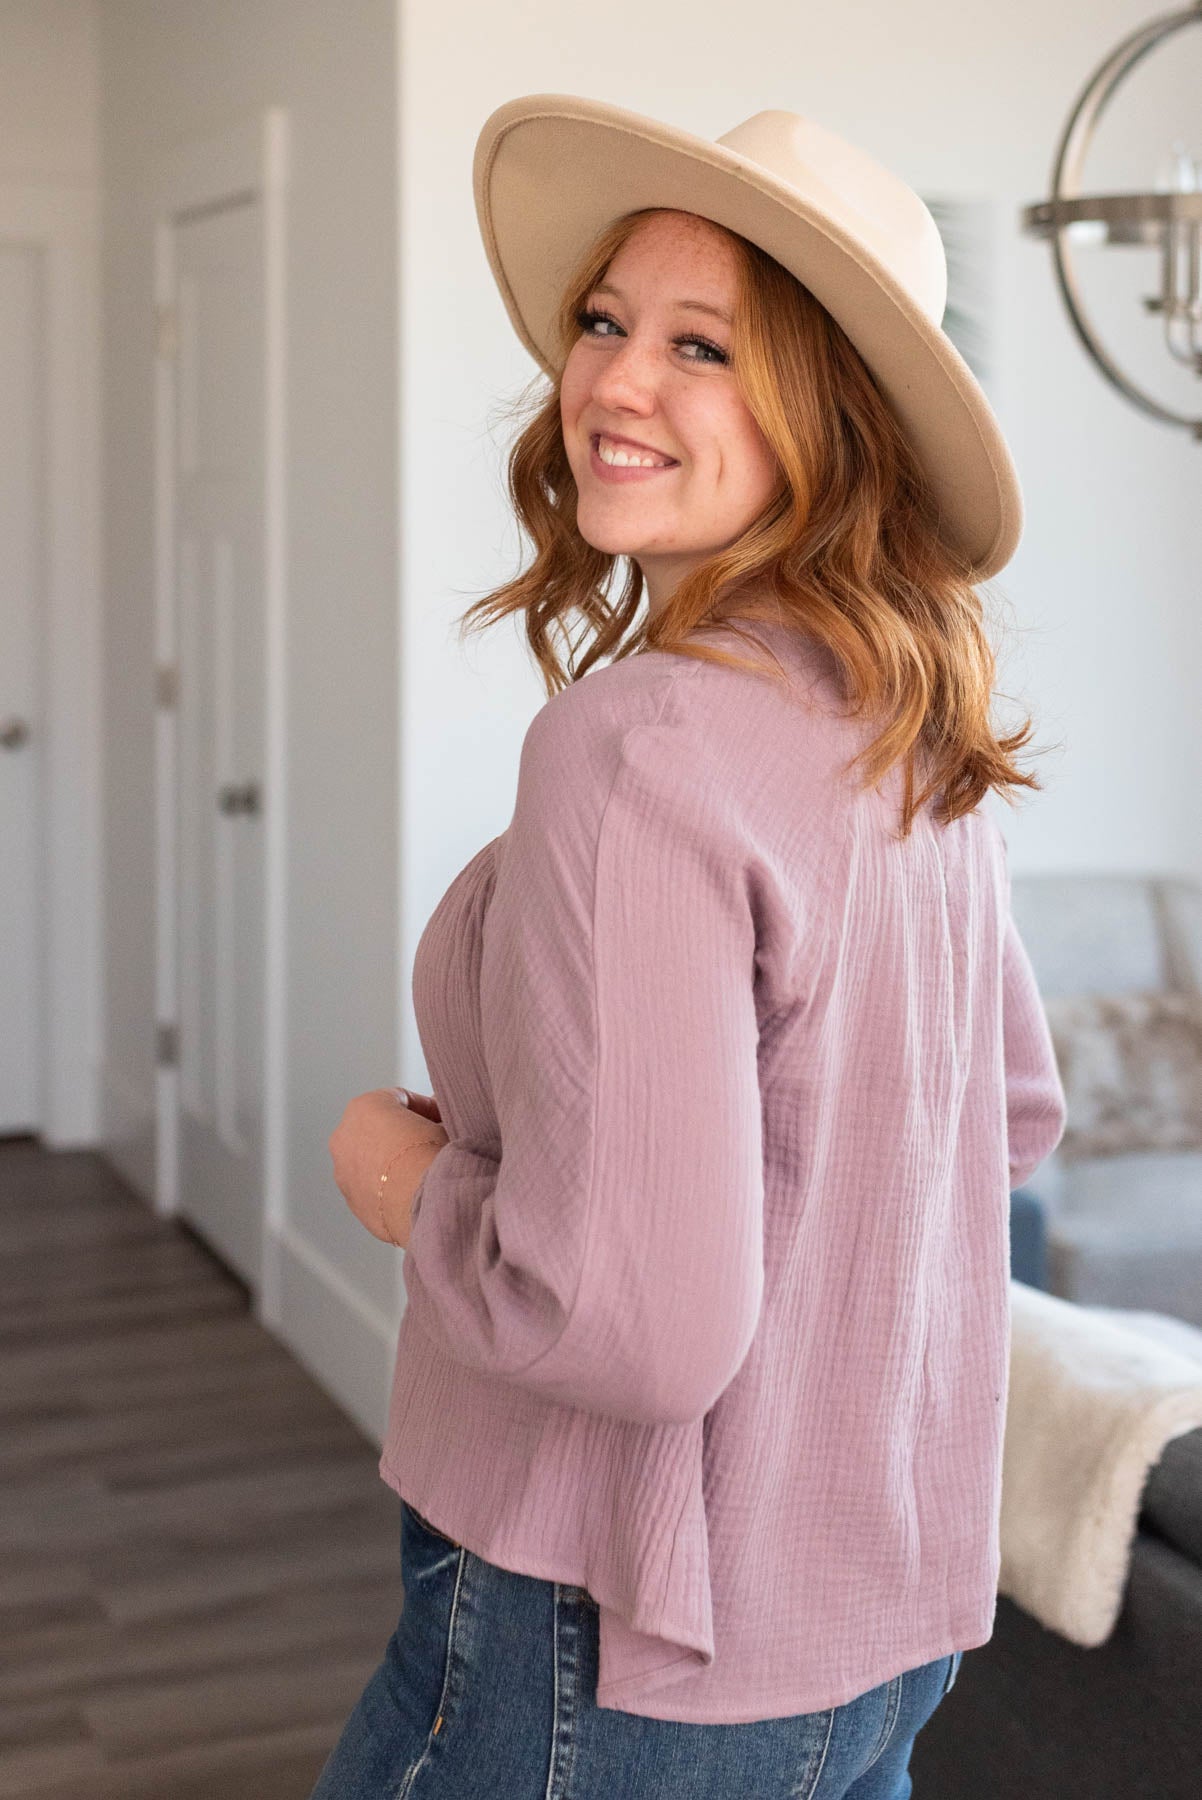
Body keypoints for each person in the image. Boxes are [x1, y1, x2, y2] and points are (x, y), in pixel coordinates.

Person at [316, 93, 1067, 1799]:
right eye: (603, 321)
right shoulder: (919, 738)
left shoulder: (637, 746)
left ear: (833, 416)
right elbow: (1004, 1128)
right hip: (878, 1615)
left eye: (703, 346)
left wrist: (401, 1184)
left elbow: (633, 1327)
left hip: (613, 1619)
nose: (613, 382)